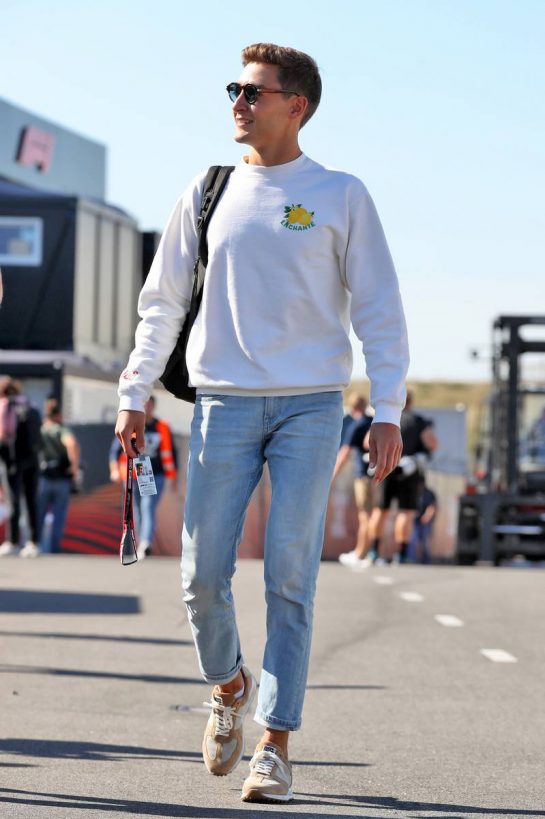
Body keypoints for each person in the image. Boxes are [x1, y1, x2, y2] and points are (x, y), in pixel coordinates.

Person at [115, 43, 409, 803]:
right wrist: (133, 393)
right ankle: (229, 685)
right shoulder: (208, 189)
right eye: (234, 90)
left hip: (312, 405)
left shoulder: (340, 194)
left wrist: (387, 409)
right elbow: (162, 302)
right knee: (200, 576)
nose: (238, 103)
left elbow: (379, 306)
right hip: (222, 401)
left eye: (253, 92)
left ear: (295, 105)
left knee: (289, 576)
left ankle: (275, 744)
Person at [368, 390, 438, 564]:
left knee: (380, 511)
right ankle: (401, 554)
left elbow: (366, 442)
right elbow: (433, 443)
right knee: (405, 512)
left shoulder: (384, 419)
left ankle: (374, 551)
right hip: (409, 471)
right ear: (411, 402)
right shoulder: (418, 421)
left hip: (385, 467)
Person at [109, 395, 177, 560]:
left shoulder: (162, 427)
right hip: (134, 471)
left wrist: (174, 476)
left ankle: (146, 542)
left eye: (149, 404)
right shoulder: (131, 423)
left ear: (153, 406)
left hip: (153, 472)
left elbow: (172, 453)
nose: (146, 408)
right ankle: (141, 543)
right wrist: (114, 470)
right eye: (144, 404)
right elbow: (115, 451)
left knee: (148, 506)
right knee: (137, 510)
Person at [332, 393, 376, 569]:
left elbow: (344, 453)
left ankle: (361, 552)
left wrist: (332, 477)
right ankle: (371, 552)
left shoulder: (356, 425)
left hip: (363, 475)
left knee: (364, 516)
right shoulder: (373, 422)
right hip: (377, 475)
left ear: (352, 407)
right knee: (374, 514)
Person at [0, 377, 42, 557]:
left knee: (14, 501)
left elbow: (3, 434)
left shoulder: (5, 405)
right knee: (31, 501)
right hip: (32, 459)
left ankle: (13, 541)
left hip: (13, 461)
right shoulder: (30, 404)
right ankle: (33, 542)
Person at [37, 398, 81, 554]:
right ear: (59, 414)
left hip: (43, 478)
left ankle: (36, 546)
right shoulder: (61, 429)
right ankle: (53, 551)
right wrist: (74, 466)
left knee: (38, 516)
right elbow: (72, 443)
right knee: (58, 518)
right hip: (61, 479)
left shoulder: (41, 429)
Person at [407, 482, 437, 563]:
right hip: (416, 520)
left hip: (425, 522)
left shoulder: (428, 493)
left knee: (425, 542)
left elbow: (432, 506)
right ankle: (411, 559)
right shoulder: (416, 492)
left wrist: (427, 516)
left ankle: (426, 560)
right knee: (413, 540)